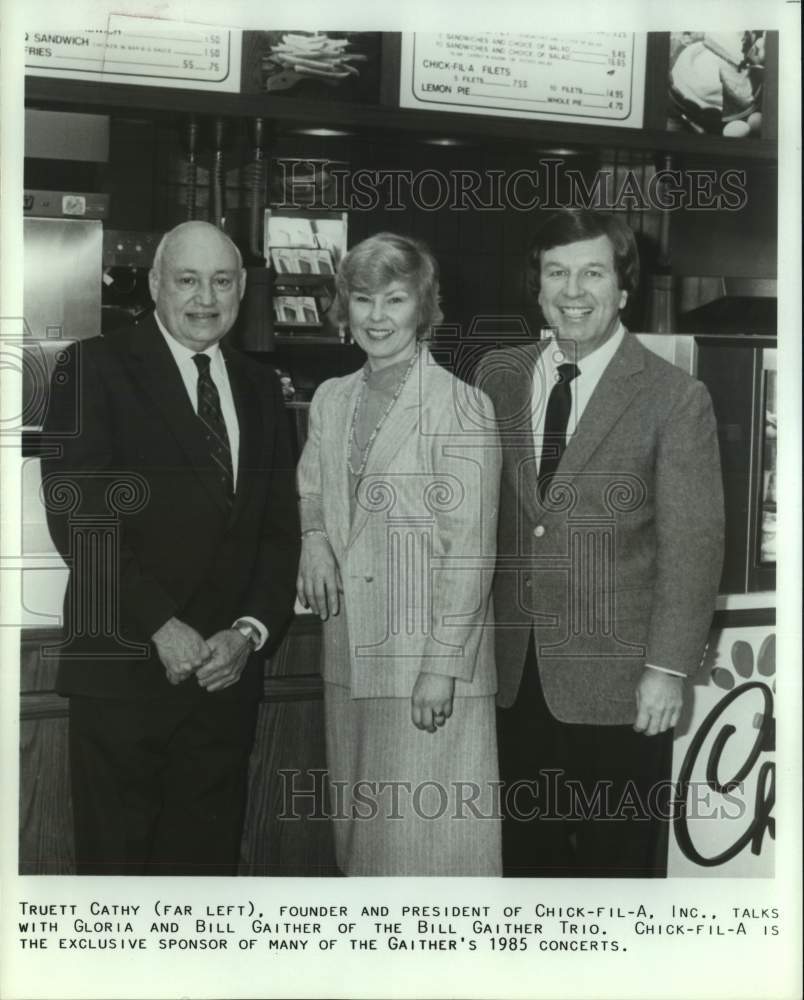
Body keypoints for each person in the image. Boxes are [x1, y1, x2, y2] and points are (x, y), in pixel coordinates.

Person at [41, 221, 300, 875]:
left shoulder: (264, 388)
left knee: (204, 875)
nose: (204, 297)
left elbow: (278, 531)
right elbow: (81, 519)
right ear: (156, 285)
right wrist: (161, 623)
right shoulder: (92, 366)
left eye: (221, 280)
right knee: (118, 884)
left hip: (223, 678)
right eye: (187, 279)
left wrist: (248, 631)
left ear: (242, 289)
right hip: (125, 669)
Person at [476, 209, 725, 877]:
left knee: (616, 873)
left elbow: (693, 546)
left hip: (623, 687)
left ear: (623, 289)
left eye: (592, 272)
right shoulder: (498, 377)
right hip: (514, 675)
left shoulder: (675, 398)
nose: (572, 290)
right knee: (527, 866)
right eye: (556, 273)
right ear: (537, 287)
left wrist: (668, 669)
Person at [296, 232, 501, 875]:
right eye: (363, 299)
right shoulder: (331, 398)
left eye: (395, 299)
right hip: (351, 655)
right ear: (344, 306)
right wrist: (315, 540)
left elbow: (469, 548)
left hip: (427, 665)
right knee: (363, 848)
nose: (377, 316)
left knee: (426, 853)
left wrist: (441, 667)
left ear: (424, 307)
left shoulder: (461, 405)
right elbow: (311, 486)